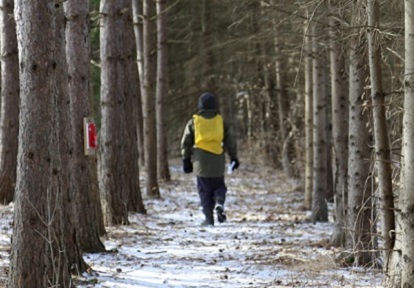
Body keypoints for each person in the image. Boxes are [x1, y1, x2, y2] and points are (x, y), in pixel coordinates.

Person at [181, 92, 239, 226]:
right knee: (219, 185)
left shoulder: (194, 122)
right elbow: (230, 141)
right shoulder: (220, 121)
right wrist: (234, 157)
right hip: (218, 161)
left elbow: (186, 142)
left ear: (200, 105)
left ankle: (209, 218)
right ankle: (219, 201)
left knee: (204, 190)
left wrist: (186, 159)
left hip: (200, 162)